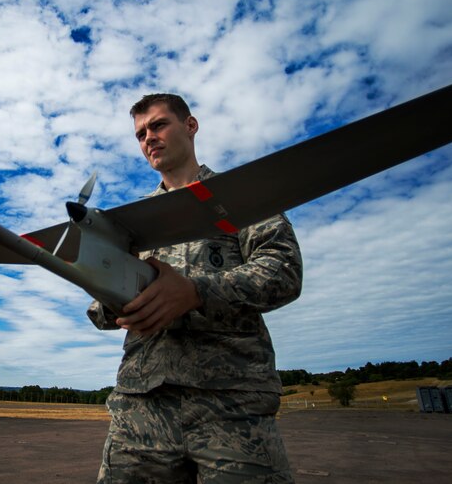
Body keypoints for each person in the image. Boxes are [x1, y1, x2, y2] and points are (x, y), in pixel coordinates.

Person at [88, 93, 303, 483]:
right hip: (142, 410)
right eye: (139, 134)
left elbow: (283, 271)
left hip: (231, 408)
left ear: (190, 126)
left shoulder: (241, 197)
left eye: (158, 125)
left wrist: (196, 291)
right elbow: (100, 312)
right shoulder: (132, 222)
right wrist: (109, 292)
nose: (148, 138)